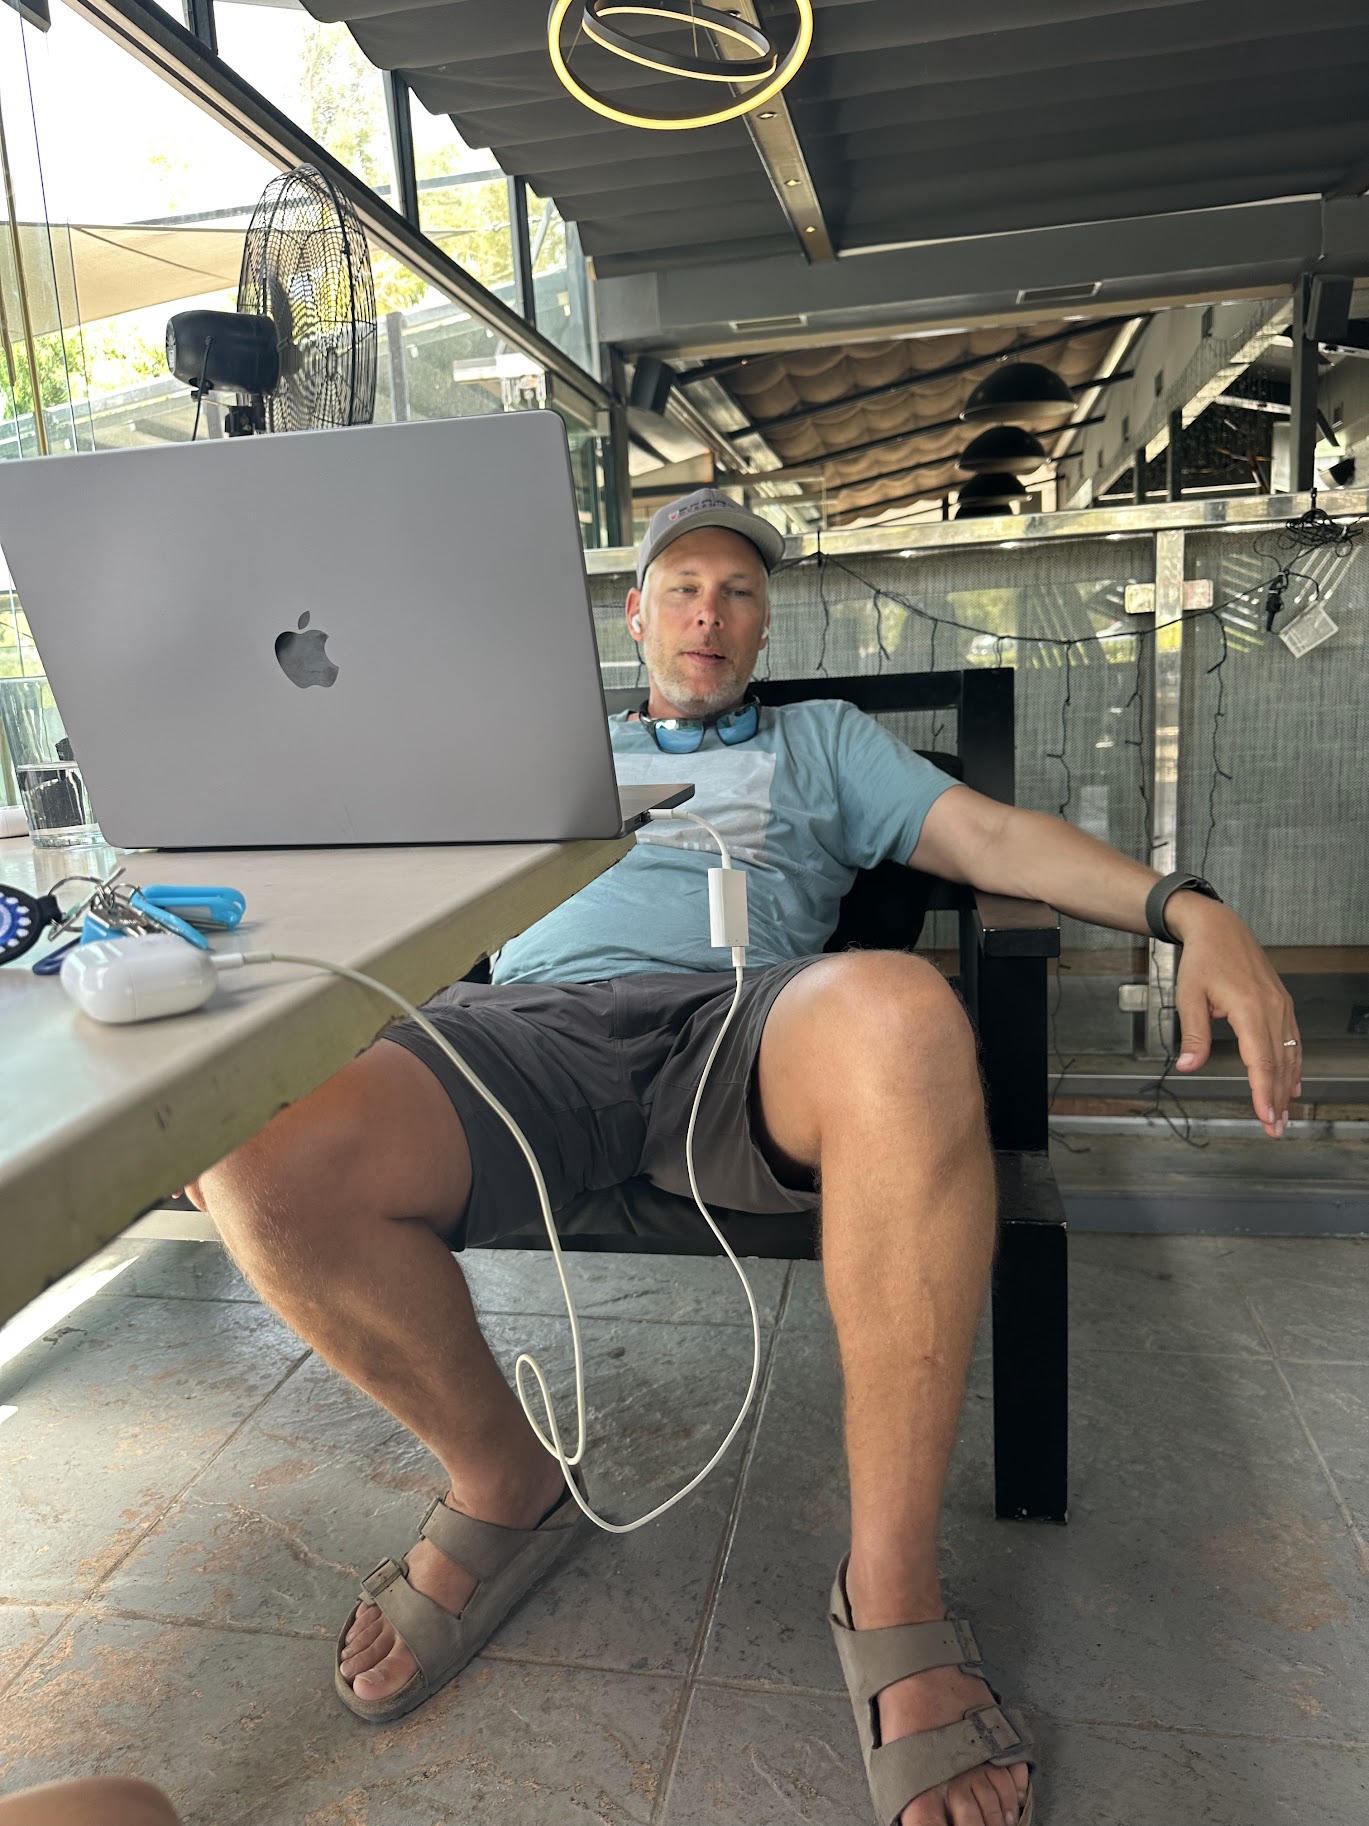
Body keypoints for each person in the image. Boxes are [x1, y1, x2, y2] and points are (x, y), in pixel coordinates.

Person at [186, 489, 1299, 1826]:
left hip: (741, 1024)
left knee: (901, 1008)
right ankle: (504, 1480)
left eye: (739, 592)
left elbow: (995, 840)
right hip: (524, 1032)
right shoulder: (546, 751)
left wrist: (1186, 906)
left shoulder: (823, 742)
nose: (709, 613)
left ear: (765, 624)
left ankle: (890, 1589)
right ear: (636, 615)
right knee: (249, 1147)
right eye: (683, 588)